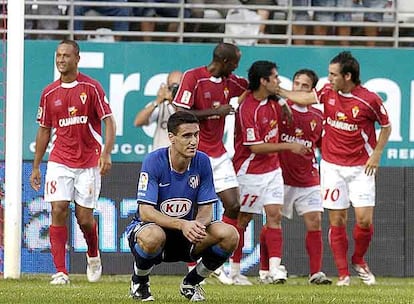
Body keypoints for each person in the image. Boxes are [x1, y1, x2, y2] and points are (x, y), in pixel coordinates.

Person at [276, 51, 391, 286]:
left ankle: (359, 260)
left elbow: (386, 126)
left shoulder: (369, 100)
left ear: (347, 76)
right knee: (336, 219)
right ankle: (343, 274)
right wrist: (279, 91)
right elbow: (305, 99)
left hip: (361, 167)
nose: (328, 79)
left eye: (333, 74)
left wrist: (376, 155)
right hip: (331, 166)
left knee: (364, 220)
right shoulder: (327, 92)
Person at [126, 111, 239, 301]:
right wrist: (182, 224)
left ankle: (191, 283)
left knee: (229, 235)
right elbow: (145, 212)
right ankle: (140, 282)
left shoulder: (202, 161)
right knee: (153, 236)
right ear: (171, 137)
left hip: (185, 234)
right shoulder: (154, 161)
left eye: (196, 135)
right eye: (186, 136)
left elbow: (206, 210)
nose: (193, 141)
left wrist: (197, 226)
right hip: (153, 231)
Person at [29, 39, 116, 285]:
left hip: (88, 161)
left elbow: (109, 120)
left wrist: (106, 152)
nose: (61, 60)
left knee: (85, 219)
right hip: (59, 161)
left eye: (66, 55)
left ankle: (92, 254)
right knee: (57, 209)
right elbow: (44, 130)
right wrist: (37, 165)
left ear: (77, 59)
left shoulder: (92, 88)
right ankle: (60, 272)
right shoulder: (49, 93)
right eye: (58, 55)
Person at [173, 42, 248, 285]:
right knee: (192, 210)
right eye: (235, 62)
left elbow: (252, 88)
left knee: (234, 204)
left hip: (219, 154)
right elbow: (179, 113)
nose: (237, 67)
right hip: (195, 154)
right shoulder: (193, 77)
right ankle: (192, 263)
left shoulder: (230, 81)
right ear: (225, 62)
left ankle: (215, 260)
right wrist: (215, 112)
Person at [231, 60, 308, 285]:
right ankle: (234, 272)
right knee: (243, 219)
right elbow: (255, 147)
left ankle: (273, 270)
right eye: (274, 77)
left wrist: (283, 101)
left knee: (274, 216)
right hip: (249, 171)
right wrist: (289, 146)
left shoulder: (274, 102)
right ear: (263, 81)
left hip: (273, 169)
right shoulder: (248, 109)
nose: (278, 81)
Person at [278, 69, 332, 285]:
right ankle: (271, 269)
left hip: (308, 177)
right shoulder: (280, 110)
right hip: (280, 177)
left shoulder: (318, 116)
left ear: (312, 91)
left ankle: (315, 273)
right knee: (273, 223)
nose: (299, 88)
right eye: (296, 83)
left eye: (304, 86)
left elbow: (320, 147)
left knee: (315, 221)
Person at [134, 70, 182, 150]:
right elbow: (138, 122)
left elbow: (183, 119)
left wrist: (174, 102)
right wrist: (157, 101)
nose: (174, 90)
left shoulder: (188, 105)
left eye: (178, 86)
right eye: (172, 87)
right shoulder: (161, 106)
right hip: (161, 157)